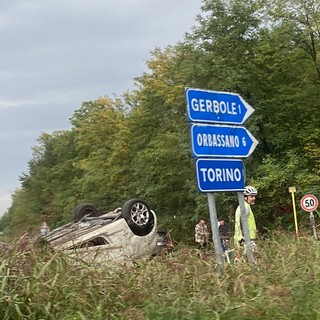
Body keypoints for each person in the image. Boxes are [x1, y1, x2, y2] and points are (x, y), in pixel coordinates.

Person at [234, 186, 258, 256]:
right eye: (252, 196)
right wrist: (243, 238)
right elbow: (240, 223)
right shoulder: (244, 208)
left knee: (250, 257)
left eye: (254, 196)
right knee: (251, 257)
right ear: (245, 197)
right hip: (244, 239)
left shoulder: (246, 206)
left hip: (248, 238)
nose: (254, 198)